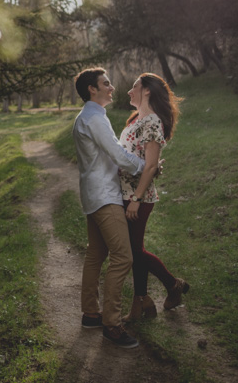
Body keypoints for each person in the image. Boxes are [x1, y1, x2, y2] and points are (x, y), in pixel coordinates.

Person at [72, 67, 146, 349]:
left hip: (93, 194)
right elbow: (116, 153)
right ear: (93, 89)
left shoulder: (89, 117)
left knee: (96, 254)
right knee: (123, 257)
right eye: (106, 83)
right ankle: (112, 324)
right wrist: (145, 167)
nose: (112, 87)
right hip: (104, 196)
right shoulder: (94, 119)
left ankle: (91, 314)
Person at [119, 73, 189, 321]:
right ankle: (142, 301)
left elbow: (149, 166)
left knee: (134, 251)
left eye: (134, 87)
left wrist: (136, 199)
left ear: (147, 90)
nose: (129, 91)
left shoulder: (152, 123)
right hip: (126, 193)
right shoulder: (136, 120)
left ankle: (172, 285)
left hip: (138, 197)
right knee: (134, 250)